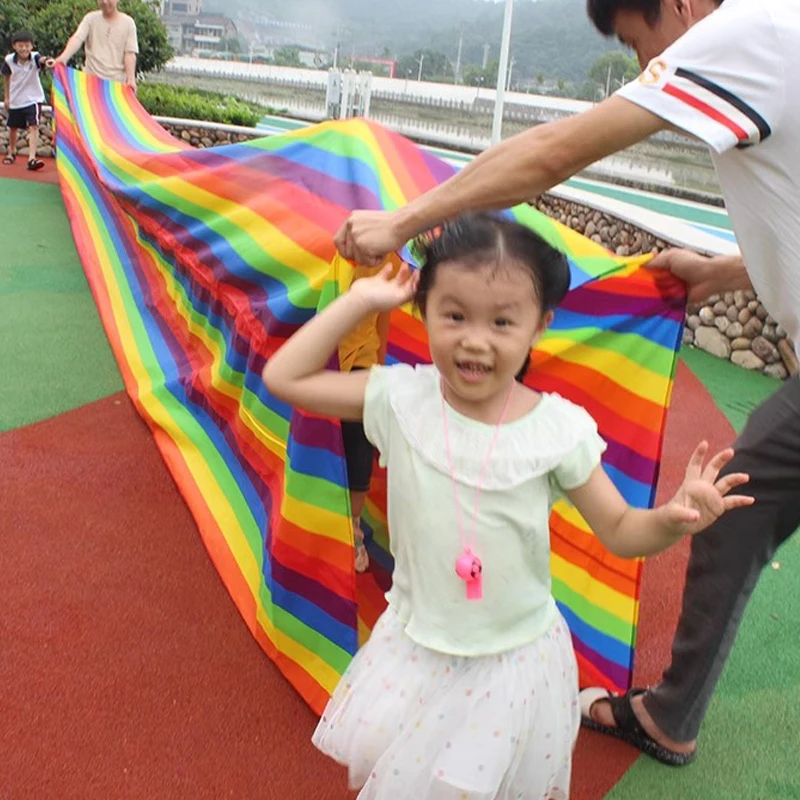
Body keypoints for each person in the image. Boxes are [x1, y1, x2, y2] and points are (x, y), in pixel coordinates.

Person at [333, 0, 800, 768]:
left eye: (632, 39)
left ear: (679, 6)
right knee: (736, 511)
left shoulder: (737, 36)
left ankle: (671, 715)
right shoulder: (773, 39)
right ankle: (671, 715)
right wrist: (719, 272)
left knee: (733, 509)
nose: (638, 62)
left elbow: (554, 153)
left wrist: (404, 222)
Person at [263, 213, 752, 798]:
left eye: (501, 321)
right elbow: (285, 376)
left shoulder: (557, 430)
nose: (475, 339)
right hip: (417, 653)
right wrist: (361, 299)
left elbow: (621, 529)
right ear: (423, 311)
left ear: (539, 325)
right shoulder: (400, 398)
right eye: (454, 314)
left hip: (514, 665)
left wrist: (674, 520)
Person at [337, 259, 391, 573]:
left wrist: (378, 368)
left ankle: (354, 522)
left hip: (361, 359)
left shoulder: (391, 264)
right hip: (327, 354)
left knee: (358, 432)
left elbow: (382, 319)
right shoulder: (339, 252)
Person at [54, 0, 138, 91]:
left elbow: (129, 53)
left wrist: (131, 79)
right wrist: (63, 57)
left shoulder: (128, 23)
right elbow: (77, 38)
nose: (104, 2)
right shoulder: (90, 19)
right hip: (90, 84)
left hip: (116, 86)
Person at [2, 31, 54, 171]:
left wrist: (47, 61)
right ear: (14, 46)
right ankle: (11, 152)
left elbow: (42, 60)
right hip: (16, 99)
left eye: (27, 45)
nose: (24, 49)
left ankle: (32, 158)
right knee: (12, 127)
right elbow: (6, 78)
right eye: (20, 46)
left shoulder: (35, 58)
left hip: (33, 99)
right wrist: (7, 98)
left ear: (31, 46)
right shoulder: (9, 60)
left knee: (33, 126)